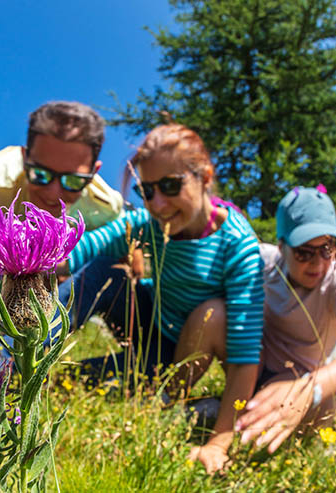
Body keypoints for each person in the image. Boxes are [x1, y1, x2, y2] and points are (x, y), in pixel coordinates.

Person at [63, 124, 264, 472]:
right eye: (146, 190)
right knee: (105, 265)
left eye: (171, 186)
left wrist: (219, 443)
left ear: (204, 177)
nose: (158, 203)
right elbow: (84, 248)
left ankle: (166, 397)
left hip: (176, 355)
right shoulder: (148, 224)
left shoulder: (237, 243)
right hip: (148, 321)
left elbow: (245, 353)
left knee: (212, 313)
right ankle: (14, 358)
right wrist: (24, 255)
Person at [193, 186, 336, 472]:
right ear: (282, 247)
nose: (318, 263)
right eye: (305, 252)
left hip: (295, 383)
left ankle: (247, 434)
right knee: (212, 313)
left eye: (327, 249)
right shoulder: (262, 261)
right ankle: (168, 400)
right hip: (245, 364)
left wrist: (309, 390)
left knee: (326, 407)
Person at [0, 101, 124, 348]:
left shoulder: (105, 207)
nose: (54, 193)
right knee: (0, 251)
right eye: (40, 175)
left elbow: (125, 255)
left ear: (94, 173)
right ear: (25, 158)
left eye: (73, 181)